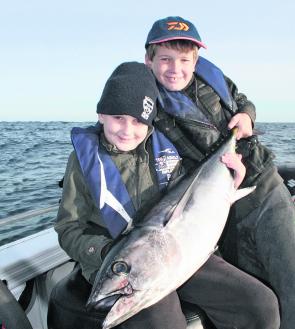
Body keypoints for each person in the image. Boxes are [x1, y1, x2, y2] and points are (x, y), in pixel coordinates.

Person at [54, 61, 280, 329]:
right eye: (118, 118)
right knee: (162, 322)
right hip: (123, 268)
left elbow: (196, 202)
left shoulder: (166, 150)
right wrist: (106, 253)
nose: (127, 130)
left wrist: (230, 182)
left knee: (259, 305)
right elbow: (68, 229)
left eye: (138, 121)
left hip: (181, 254)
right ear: (101, 114)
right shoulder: (83, 162)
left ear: (149, 122)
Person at [144, 15, 295, 329]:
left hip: (263, 186)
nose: (176, 68)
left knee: (291, 275)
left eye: (185, 59)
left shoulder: (214, 79)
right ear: (149, 60)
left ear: (196, 60)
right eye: (165, 59)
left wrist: (247, 116)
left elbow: (243, 100)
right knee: (256, 297)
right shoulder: (147, 107)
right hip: (219, 211)